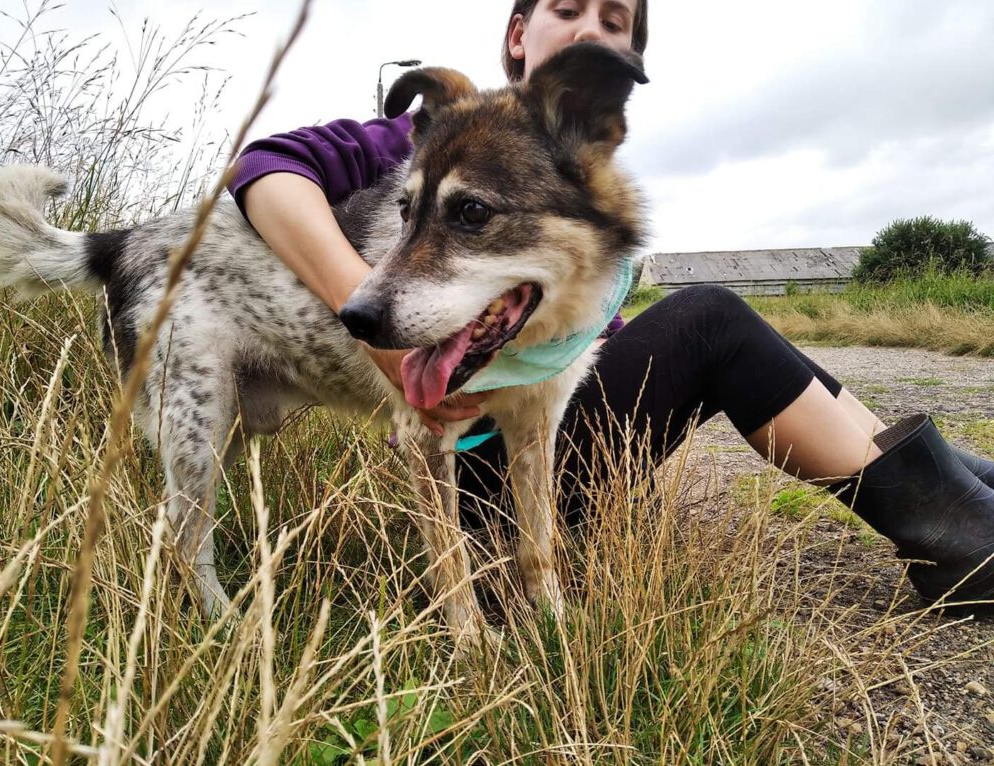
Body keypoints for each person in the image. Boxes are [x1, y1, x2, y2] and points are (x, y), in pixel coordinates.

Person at [229, 0, 994, 603]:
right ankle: (961, 537)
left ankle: (965, 495)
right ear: (519, 33)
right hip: (482, 470)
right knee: (712, 318)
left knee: (751, 342)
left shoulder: (578, 177)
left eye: (616, 21)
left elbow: (598, 347)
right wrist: (369, 324)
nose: (592, 26)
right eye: (570, 8)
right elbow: (264, 168)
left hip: (557, 442)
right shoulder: (431, 139)